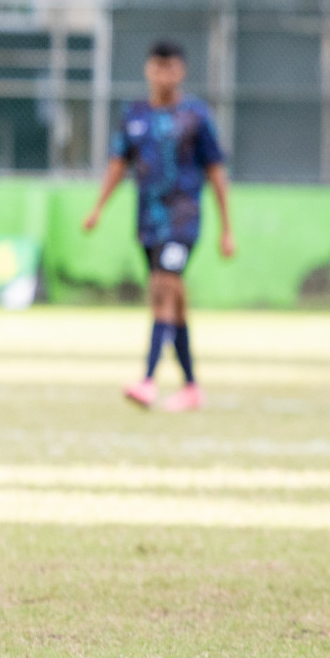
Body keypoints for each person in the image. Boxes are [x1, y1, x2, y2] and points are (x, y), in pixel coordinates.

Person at [82, 40, 235, 411]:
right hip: (148, 222)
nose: (164, 74)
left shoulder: (196, 116)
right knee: (175, 301)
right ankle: (192, 388)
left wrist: (226, 227)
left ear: (181, 71)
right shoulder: (135, 114)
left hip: (183, 220)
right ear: (148, 69)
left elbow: (215, 171)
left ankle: (149, 379)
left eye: (171, 67)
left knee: (162, 288)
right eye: (157, 66)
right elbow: (119, 164)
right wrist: (98, 207)